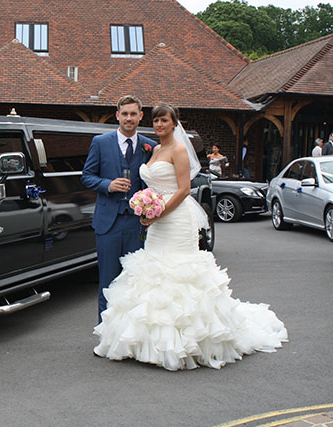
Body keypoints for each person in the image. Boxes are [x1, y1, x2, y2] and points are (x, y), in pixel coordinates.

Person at [93, 103, 287, 370]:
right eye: (156, 121)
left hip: (175, 220)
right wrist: (147, 206)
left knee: (180, 276)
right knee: (154, 277)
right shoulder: (154, 148)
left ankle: (186, 342)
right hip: (156, 222)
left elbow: (184, 190)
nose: (160, 125)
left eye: (164, 121)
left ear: (175, 124)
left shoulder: (179, 150)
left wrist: (157, 214)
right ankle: (147, 341)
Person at [82, 95, 156, 321]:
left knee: (134, 279)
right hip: (108, 223)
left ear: (140, 116)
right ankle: (105, 333)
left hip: (137, 224)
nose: (129, 118)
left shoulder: (150, 146)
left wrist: (148, 205)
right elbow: (87, 176)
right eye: (124, 114)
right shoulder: (100, 143)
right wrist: (108, 185)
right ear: (117, 115)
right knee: (108, 280)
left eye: (133, 114)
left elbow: (153, 184)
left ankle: (131, 334)